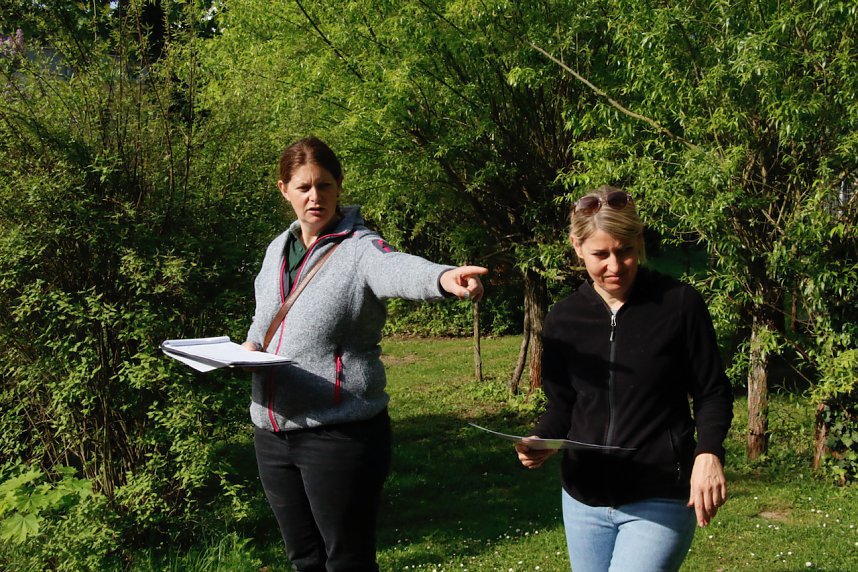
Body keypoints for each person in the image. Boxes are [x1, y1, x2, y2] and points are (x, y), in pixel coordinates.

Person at [241, 136, 486, 572]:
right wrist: (248, 349)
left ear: (339, 186)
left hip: (338, 433)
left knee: (346, 561)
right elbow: (265, 317)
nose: (315, 197)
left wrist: (444, 278)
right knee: (304, 559)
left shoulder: (359, 248)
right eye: (304, 187)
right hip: (273, 433)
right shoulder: (277, 249)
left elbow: (397, 268)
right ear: (284, 190)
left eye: (325, 185)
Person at [515, 185, 733, 572]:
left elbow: (712, 391)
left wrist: (709, 452)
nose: (614, 266)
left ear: (639, 242)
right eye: (600, 254)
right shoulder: (564, 319)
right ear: (577, 246)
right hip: (583, 498)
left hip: (659, 492)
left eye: (625, 251)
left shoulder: (679, 305)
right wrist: (541, 439)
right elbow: (563, 403)